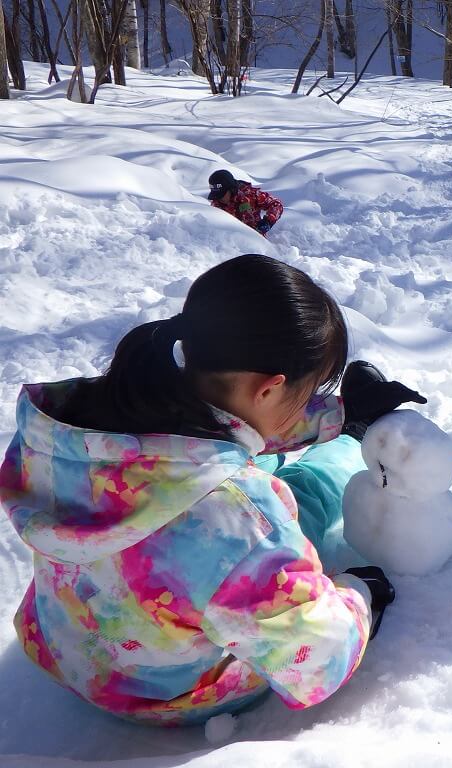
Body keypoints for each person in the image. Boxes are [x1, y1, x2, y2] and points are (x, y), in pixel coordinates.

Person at [0, 254, 426, 725]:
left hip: (60, 647)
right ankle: (348, 449)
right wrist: (355, 593)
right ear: (269, 388)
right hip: (173, 697)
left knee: (250, 504)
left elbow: (224, 423)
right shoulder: (237, 517)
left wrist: (335, 414)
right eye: (304, 397)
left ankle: (342, 435)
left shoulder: (75, 421)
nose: (305, 405)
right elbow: (315, 662)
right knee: (300, 498)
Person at [208, 169, 284, 236]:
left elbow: (276, 204)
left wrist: (268, 221)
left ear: (231, 189)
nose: (219, 198)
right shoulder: (216, 206)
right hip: (231, 246)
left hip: (257, 242)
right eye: (216, 195)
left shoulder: (250, 195)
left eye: (222, 194)